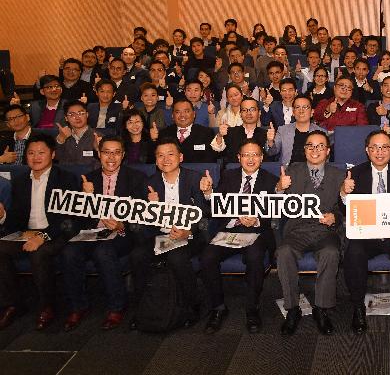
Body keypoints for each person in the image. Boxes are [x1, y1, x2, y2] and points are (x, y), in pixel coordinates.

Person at [61, 136, 146, 331]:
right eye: (106, 152)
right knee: (69, 252)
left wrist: (122, 224)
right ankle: (78, 306)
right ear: (99, 154)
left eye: (116, 152)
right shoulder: (87, 180)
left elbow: (142, 216)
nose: (111, 157)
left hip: (122, 234)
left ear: (123, 155)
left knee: (103, 251)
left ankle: (117, 306)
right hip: (92, 232)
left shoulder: (136, 178)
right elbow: (76, 218)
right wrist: (86, 198)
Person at [339, 130, 390, 333]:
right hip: (367, 235)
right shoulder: (355, 173)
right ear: (367, 150)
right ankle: (357, 306)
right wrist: (343, 193)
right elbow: (344, 210)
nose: (379, 152)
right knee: (353, 251)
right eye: (374, 147)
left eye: (384, 147)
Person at [0, 134, 81, 330]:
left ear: (52, 154)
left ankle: (47, 306)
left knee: (39, 252)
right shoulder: (20, 181)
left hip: (56, 233)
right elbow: (17, 218)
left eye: (41, 153)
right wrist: (3, 217)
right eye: (31, 153)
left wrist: (43, 236)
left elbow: (68, 220)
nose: (36, 157)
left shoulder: (66, 179)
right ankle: (12, 303)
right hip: (28, 233)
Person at [129, 137, 208, 330]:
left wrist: (188, 230)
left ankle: (192, 304)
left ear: (180, 157)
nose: (165, 159)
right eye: (160, 156)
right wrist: (150, 207)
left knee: (177, 257)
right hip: (160, 235)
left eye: (170, 154)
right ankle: (141, 307)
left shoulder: (195, 179)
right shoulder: (148, 183)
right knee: (136, 256)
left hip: (190, 235)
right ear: (155, 160)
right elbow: (138, 221)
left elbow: (205, 216)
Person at [199, 139, 277, 334]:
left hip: (256, 233)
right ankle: (218, 308)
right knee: (207, 256)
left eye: (255, 155)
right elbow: (217, 208)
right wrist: (209, 193)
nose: (250, 159)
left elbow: (277, 214)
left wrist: (257, 219)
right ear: (238, 157)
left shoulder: (271, 179)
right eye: (246, 155)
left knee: (254, 257)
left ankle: (252, 309)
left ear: (261, 157)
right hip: (230, 230)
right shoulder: (229, 176)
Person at [275, 131, 344, 336]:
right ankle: (292, 308)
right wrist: (279, 188)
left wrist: (335, 217)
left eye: (320, 146)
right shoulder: (291, 171)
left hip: (325, 230)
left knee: (331, 253)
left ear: (328, 151)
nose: (315, 150)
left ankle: (322, 309)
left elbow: (344, 210)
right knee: (284, 252)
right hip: (298, 229)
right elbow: (276, 205)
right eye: (310, 146)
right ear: (304, 150)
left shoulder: (339, 175)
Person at [211, 97, 266, 166]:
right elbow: (216, 151)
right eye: (244, 110)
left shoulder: (266, 134)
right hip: (234, 173)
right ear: (240, 114)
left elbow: (270, 155)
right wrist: (220, 135)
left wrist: (270, 142)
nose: (248, 113)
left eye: (252, 109)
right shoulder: (229, 132)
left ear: (259, 113)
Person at [55, 100, 100, 167]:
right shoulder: (62, 136)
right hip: (66, 175)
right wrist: (60, 141)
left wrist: (98, 149)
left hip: (90, 175)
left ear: (87, 115)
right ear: (66, 118)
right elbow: (56, 158)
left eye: (81, 113)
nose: (77, 117)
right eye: (72, 114)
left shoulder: (98, 136)